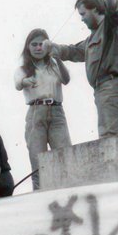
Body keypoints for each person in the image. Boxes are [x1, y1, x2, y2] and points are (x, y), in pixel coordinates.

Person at [47, 0, 118, 138]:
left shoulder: (110, 26)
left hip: (112, 87)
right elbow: (74, 51)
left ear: (95, 8)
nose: (82, 19)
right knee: (109, 137)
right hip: (103, 91)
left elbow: (114, 10)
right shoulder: (92, 38)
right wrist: (53, 48)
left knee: (111, 138)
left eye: (83, 14)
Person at [14, 29, 71, 190]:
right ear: (28, 47)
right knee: (38, 162)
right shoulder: (23, 69)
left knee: (65, 156)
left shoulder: (53, 64)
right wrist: (26, 81)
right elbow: (18, 83)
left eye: (41, 44)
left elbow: (66, 79)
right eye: (34, 44)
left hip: (56, 112)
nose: (38, 48)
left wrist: (57, 57)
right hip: (35, 113)